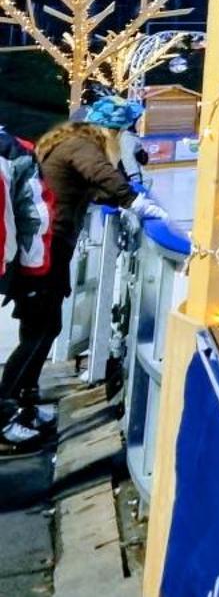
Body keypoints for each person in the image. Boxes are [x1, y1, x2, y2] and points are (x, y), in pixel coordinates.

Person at [1, 96, 167, 447]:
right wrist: (133, 200)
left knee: (45, 328)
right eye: (123, 130)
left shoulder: (68, 140)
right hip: (43, 250)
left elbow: (91, 188)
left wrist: (120, 196)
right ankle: (5, 412)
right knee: (38, 331)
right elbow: (100, 174)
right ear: (112, 129)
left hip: (48, 248)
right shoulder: (81, 144)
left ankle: (24, 405)